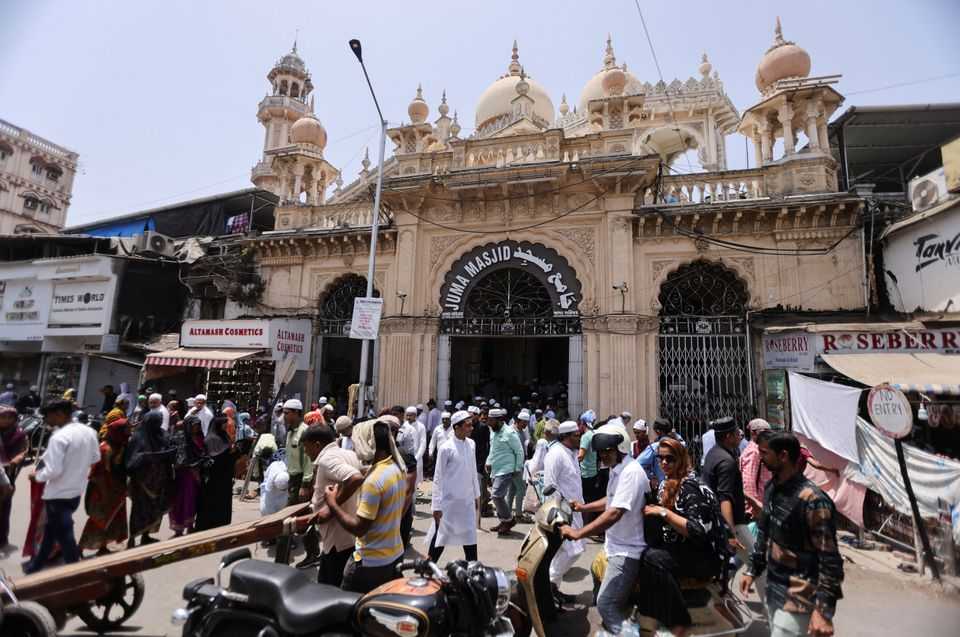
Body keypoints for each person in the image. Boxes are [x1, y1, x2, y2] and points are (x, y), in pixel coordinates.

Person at [741, 433, 844, 637]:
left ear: (783, 456)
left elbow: (830, 559)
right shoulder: (773, 488)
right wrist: (753, 570)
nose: (760, 458)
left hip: (800, 597)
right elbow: (764, 532)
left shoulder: (813, 500)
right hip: (774, 590)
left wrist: (823, 611)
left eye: (765, 453)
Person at [560, 424, 650, 634]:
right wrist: (583, 507)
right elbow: (610, 500)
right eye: (600, 451)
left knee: (606, 604)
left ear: (621, 448)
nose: (603, 455)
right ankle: (610, 624)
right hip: (614, 544)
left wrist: (578, 533)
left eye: (608, 450)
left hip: (628, 550)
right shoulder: (617, 469)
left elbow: (614, 512)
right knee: (595, 569)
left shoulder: (630, 473)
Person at [642, 437, 730, 634]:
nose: (664, 463)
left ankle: (679, 620)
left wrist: (662, 512)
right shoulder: (667, 483)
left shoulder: (689, 486)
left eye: (670, 459)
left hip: (704, 556)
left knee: (652, 558)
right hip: (686, 550)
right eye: (660, 458)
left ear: (681, 459)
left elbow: (697, 530)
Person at [325, 418, 407, 594]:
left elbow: (359, 528)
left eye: (357, 442)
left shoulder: (374, 481)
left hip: (371, 563)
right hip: (394, 555)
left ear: (368, 443)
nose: (354, 447)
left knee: (349, 612)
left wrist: (332, 503)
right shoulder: (396, 468)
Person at [24, 400, 100, 573]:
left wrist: (36, 476)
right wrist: (77, 465)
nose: (45, 419)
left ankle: (75, 571)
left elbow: (52, 470)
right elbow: (95, 458)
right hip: (75, 492)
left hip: (57, 494)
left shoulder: (59, 437)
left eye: (48, 415)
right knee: (50, 531)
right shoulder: (89, 432)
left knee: (65, 534)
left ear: (59, 414)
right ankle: (36, 565)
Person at [302, 423, 363, 586]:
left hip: (336, 540)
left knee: (330, 591)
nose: (305, 452)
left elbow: (356, 478)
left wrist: (330, 508)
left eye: (306, 447)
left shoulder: (326, 460)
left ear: (317, 445)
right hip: (344, 537)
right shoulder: (347, 453)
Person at [428, 410, 480, 563]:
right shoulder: (446, 448)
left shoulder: (471, 444)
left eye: (471, 425)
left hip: (466, 501)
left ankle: (473, 571)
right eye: (468, 425)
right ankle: (428, 567)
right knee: (440, 538)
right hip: (449, 503)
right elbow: (438, 477)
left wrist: (477, 495)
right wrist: (436, 506)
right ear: (456, 427)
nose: (471, 428)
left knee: (470, 538)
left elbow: (472, 471)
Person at [543, 420, 584, 605]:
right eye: (576, 435)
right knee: (571, 551)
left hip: (576, 510)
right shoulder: (556, 454)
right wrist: (557, 517)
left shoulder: (572, 453)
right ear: (566, 437)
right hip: (563, 512)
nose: (580, 438)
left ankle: (553, 589)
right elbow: (549, 486)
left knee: (571, 550)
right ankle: (549, 586)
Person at [701, 416, 750, 563]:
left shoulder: (713, 453)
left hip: (720, 521)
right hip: (732, 523)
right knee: (754, 563)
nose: (739, 436)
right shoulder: (726, 461)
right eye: (736, 433)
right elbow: (725, 498)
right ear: (728, 436)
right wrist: (729, 533)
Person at [80, 417, 130, 554]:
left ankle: (103, 546)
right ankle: (80, 548)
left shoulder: (120, 447)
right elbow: (97, 475)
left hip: (117, 490)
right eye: (125, 431)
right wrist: (105, 494)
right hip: (103, 491)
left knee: (112, 520)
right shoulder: (105, 450)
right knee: (98, 520)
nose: (128, 434)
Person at [125, 411, 173, 547]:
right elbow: (131, 461)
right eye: (156, 421)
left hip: (159, 481)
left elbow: (168, 450)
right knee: (139, 510)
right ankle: (132, 538)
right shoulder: (138, 438)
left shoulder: (162, 435)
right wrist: (145, 457)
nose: (158, 424)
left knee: (154, 509)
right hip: (142, 483)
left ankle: (146, 535)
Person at [486, 408, 524, 536]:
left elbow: (519, 451)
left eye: (491, 421)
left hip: (507, 469)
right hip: (495, 469)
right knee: (498, 497)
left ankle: (509, 520)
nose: (489, 423)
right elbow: (493, 450)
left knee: (496, 495)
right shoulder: (493, 432)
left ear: (499, 420)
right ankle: (503, 521)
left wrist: (517, 468)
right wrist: (488, 461)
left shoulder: (510, 433)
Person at [196, 416, 235, 530]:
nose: (225, 426)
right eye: (223, 424)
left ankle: (221, 522)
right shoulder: (211, 438)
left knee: (223, 500)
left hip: (225, 476)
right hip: (213, 477)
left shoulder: (224, 435)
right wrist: (228, 452)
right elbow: (213, 457)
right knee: (211, 501)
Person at [169, 415, 205, 536]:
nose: (196, 428)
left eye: (198, 426)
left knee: (191, 500)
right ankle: (178, 529)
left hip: (195, 475)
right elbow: (176, 456)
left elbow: (203, 453)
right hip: (182, 474)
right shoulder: (180, 438)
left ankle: (190, 526)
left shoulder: (200, 437)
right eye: (194, 426)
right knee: (179, 501)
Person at [0, 405, 28, 549]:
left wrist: (15, 460)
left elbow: (24, 451)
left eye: (9, 417)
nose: (6, 420)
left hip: (8, 474)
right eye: (3, 417)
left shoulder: (19, 434)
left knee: (4, 507)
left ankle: (1, 538)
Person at [740, 419, 774, 518]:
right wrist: (753, 507)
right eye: (764, 432)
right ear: (753, 433)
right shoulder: (754, 451)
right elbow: (748, 480)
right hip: (757, 505)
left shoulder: (760, 448)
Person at [283, 399, 313, 506]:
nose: (284, 416)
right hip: (291, 478)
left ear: (296, 413)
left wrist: (305, 485)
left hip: (300, 479)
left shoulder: (304, 431)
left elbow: (308, 460)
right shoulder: (290, 431)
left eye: (287, 413)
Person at [578, 410, 601, 526]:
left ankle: (585, 525)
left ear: (584, 423)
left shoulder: (586, 437)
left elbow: (581, 456)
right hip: (594, 472)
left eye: (580, 424)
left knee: (584, 501)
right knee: (591, 499)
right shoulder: (594, 434)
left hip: (585, 473)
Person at [511, 410, 532, 522]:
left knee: (512, 490)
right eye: (524, 423)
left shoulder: (521, 432)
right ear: (519, 421)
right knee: (521, 489)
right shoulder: (513, 432)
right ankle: (518, 514)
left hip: (519, 464)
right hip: (516, 465)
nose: (526, 425)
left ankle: (508, 513)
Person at [470, 408, 492, 517]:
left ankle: (483, 508)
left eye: (473, 415)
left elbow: (488, 444)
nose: (471, 417)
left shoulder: (483, 427)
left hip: (481, 460)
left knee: (481, 486)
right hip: (470, 459)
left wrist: (487, 460)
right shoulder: (468, 426)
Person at [260, 448, 290, 516]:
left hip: (282, 492)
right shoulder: (273, 469)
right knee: (266, 510)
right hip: (269, 491)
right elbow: (268, 489)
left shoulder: (285, 468)